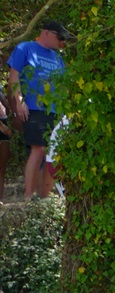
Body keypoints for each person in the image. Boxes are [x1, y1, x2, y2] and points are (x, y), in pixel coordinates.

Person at [6, 19, 73, 199]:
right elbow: (14, 77)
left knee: (52, 153)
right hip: (34, 107)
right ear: (46, 33)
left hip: (56, 110)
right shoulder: (25, 48)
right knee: (39, 149)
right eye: (59, 38)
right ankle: (29, 196)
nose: (62, 43)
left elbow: (64, 85)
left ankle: (43, 197)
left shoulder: (58, 58)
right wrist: (19, 102)